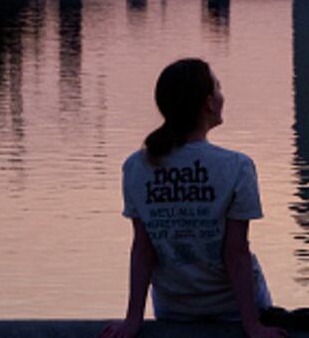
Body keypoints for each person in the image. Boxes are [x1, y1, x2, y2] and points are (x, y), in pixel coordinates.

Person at [102, 59, 285, 338]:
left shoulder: (136, 166)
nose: (223, 96)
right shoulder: (237, 166)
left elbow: (143, 248)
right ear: (209, 103)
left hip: (174, 306)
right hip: (232, 306)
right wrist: (252, 326)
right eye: (218, 88)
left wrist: (132, 320)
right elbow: (236, 252)